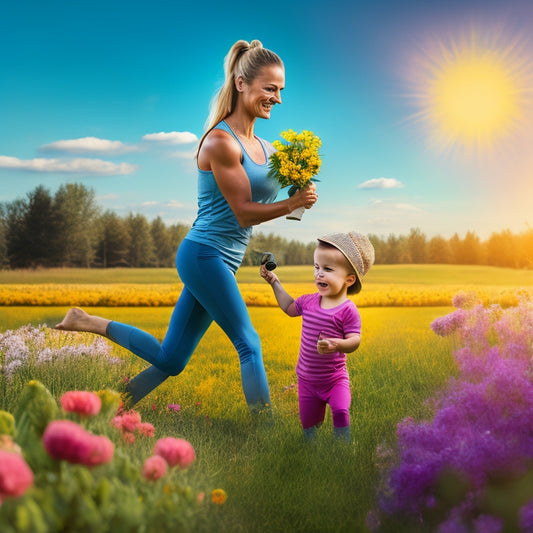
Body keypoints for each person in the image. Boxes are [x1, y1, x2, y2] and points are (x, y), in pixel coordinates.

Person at [55, 39, 318, 415]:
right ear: (242, 83)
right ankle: (267, 435)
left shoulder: (265, 146)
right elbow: (244, 212)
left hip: (223, 260)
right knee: (249, 343)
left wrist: (298, 187)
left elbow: (269, 193)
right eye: (270, 88)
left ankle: (106, 400)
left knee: (172, 359)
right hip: (203, 254)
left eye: (280, 90)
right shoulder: (220, 142)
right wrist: (291, 204)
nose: (277, 97)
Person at [260, 231, 374, 440]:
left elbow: (355, 340)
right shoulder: (308, 301)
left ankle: (342, 447)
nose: (319, 274)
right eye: (317, 267)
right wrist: (274, 282)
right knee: (310, 426)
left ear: (349, 279)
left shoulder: (348, 310)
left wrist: (337, 344)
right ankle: (312, 453)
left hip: (335, 379)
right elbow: (288, 307)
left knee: (340, 410)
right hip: (307, 379)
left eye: (327, 269)